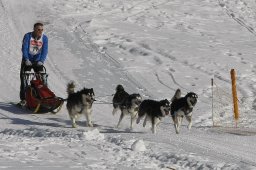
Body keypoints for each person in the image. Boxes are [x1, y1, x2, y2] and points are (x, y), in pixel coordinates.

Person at [19, 22, 48, 105]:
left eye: (42, 30)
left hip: (38, 60)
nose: (40, 31)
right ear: (34, 29)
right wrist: (26, 59)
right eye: (38, 29)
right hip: (27, 60)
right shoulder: (28, 36)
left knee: (42, 76)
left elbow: (45, 51)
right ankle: (23, 98)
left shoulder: (44, 38)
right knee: (24, 77)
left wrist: (41, 61)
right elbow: (24, 48)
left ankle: (44, 96)